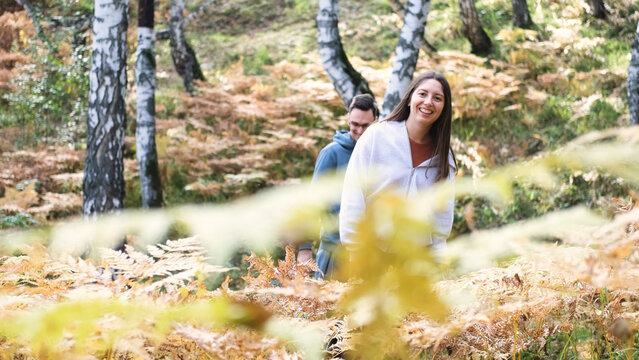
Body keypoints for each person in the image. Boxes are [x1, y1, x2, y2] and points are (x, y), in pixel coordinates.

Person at [339, 71, 457, 256]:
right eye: (422, 94)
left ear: (444, 107)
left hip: (418, 259)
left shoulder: (443, 156)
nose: (428, 102)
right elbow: (354, 193)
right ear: (410, 99)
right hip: (372, 253)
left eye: (437, 98)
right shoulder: (377, 136)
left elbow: (441, 219)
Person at [297, 93, 379, 278]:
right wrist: (304, 248)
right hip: (335, 254)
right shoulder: (331, 154)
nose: (359, 131)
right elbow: (312, 204)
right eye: (355, 124)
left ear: (376, 121)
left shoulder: (380, 155)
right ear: (348, 120)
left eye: (366, 126)